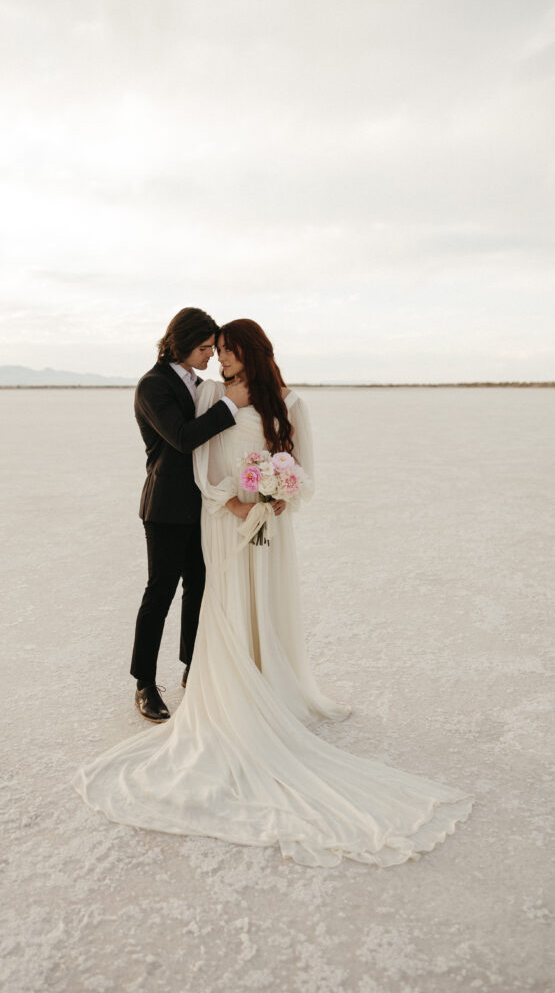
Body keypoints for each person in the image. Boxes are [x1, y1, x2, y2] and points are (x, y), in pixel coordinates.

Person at [74, 319, 474, 867]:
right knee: (182, 593)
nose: (217, 360)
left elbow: (302, 469)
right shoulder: (196, 392)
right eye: (212, 350)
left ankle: (242, 677)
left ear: (251, 355)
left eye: (227, 352)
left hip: (266, 524)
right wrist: (230, 500)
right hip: (212, 516)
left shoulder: (289, 403)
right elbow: (196, 455)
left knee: (228, 598)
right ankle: (155, 679)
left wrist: (280, 494)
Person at [130, 307, 250, 722]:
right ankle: (144, 683)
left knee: (199, 590)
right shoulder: (153, 386)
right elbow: (182, 439)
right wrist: (230, 407)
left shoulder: (201, 384)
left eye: (213, 348)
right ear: (180, 345)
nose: (210, 356)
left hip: (201, 507)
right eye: (203, 348)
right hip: (163, 509)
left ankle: (191, 670)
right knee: (159, 593)